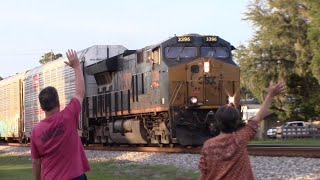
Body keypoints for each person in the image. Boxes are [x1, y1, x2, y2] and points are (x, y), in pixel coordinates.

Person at [198, 82, 286, 180]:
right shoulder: (240, 138)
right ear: (236, 122)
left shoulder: (208, 145)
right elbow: (258, 117)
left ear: (217, 123)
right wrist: (270, 95)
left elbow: (204, 173)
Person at [31, 50, 90, 180]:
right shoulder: (68, 115)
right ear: (58, 102)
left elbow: (36, 162)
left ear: (42, 108)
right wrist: (76, 66)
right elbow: (80, 92)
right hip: (75, 176)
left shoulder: (35, 132)